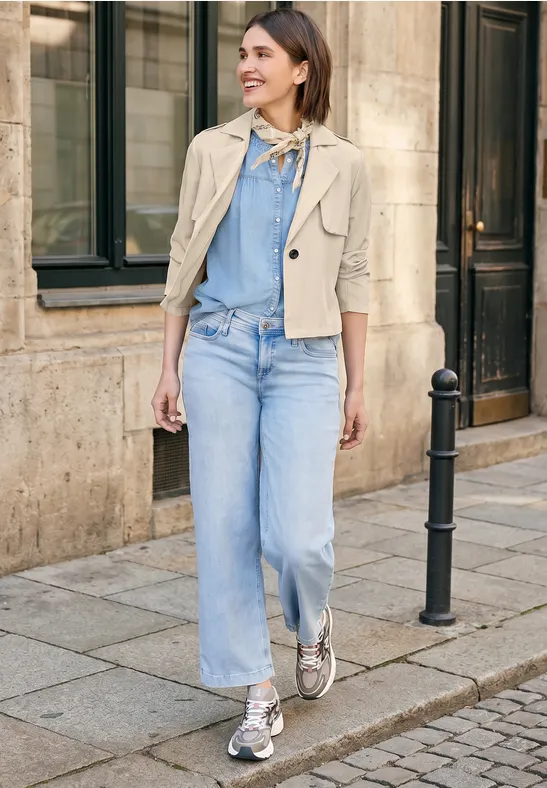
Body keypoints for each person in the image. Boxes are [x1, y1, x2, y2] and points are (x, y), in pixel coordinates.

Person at [151, 7, 370, 762]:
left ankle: (312, 626)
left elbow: (353, 274)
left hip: (306, 359)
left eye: (263, 54)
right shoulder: (212, 149)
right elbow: (184, 259)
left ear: (301, 68)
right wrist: (168, 364)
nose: (246, 66)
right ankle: (256, 691)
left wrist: (355, 384)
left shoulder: (344, 163)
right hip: (219, 348)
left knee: (297, 537)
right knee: (225, 527)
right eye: (241, 53)